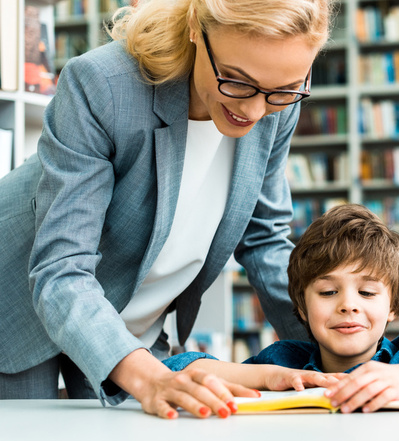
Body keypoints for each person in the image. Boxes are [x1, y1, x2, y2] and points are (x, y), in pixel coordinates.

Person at [0, 0, 335, 419]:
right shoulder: (102, 84)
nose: (254, 111)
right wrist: (151, 377)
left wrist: (334, 356)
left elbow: (264, 237)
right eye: (236, 80)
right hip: (21, 309)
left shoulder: (276, 101)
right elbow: (62, 267)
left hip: (134, 324)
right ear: (197, 26)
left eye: (282, 91)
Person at [164, 204, 399, 412]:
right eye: (327, 292)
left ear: (394, 306)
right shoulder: (285, 362)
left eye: (367, 293)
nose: (348, 305)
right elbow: (174, 368)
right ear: (302, 308)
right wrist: (263, 377)